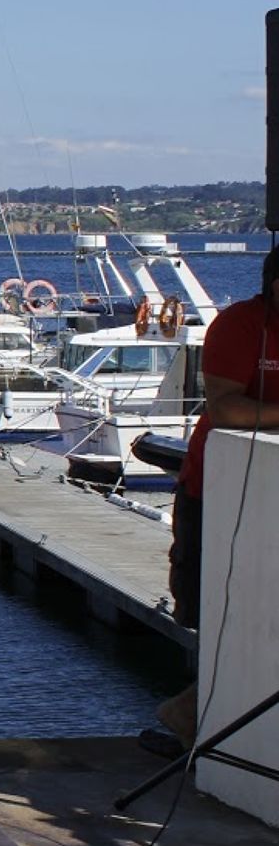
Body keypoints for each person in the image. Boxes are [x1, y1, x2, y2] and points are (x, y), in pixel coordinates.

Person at [159, 242, 279, 744]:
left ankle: (199, 727)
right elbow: (226, 409)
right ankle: (195, 726)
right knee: (215, 617)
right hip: (215, 493)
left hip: (266, 497)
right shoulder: (240, 325)